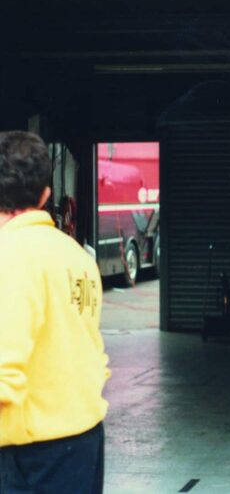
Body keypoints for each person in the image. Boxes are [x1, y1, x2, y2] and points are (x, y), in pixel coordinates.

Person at [0, 130, 109, 494]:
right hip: (85, 440)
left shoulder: (8, 256)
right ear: (47, 195)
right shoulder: (77, 257)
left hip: (29, 454)